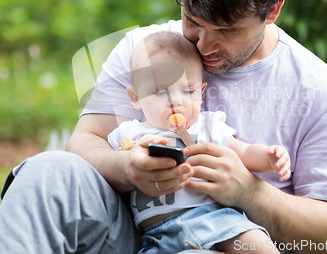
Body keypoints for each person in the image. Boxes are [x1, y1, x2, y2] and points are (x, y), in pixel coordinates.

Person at [0, 0, 327, 253]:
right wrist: (128, 167)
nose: (203, 45)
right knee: (49, 170)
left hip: (221, 242)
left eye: (226, 30)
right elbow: (85, 143)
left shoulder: (322, 94)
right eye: (192, 20)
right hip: (128, 232)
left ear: (272, 11)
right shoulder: (143, 49)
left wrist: (250, 192)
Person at [109, 31, 290, 253]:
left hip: (217, 218)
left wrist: (270, 157)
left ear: (201, 92)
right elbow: (109, 169)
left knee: (258, 244)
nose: (175, 101)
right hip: (159, 234)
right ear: (136, 98)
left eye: (187, 90)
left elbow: (245, 154)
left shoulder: (207, 126)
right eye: (159, 92)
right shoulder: (129, 133)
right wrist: (130, 158)